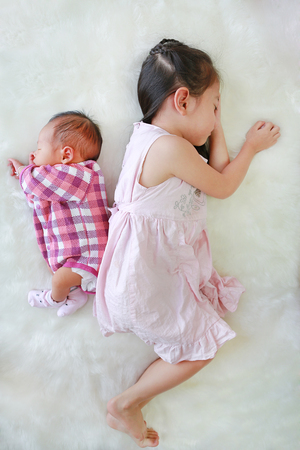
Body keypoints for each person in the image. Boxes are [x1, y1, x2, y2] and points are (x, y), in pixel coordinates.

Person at [93, 39, 280, 447]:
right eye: (214, 105)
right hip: (143, 281)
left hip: (144, 275)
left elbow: (211, 168)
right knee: (201, 349)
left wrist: (212, 121)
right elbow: (224, 184)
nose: (217, 119)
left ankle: (127, 404)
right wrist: (250, 147)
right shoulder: (169, 149)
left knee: (199, 337)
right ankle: (127, 403)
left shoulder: (154, 139)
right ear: (182, 100)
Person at [8, 111, 109, 317]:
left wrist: (24, 171)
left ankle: (54, 298)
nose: (34, 155)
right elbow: (37, 198)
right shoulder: (61, 184)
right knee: (63, 276)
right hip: (80, 259)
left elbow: (34, 182)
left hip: (90, 257)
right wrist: (31, 178)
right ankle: (75, 294)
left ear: (66, 155)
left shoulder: (81, 175)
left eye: (39, 148)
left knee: (58, 280)